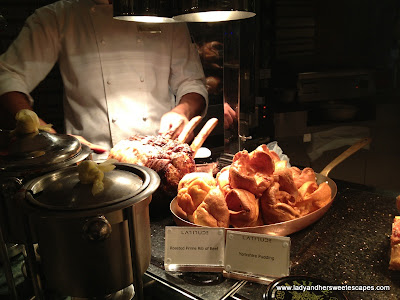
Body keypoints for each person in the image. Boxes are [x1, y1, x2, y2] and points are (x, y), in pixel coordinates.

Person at [0, 0, 208, 157]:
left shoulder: (162, 13)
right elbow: (7, 76)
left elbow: (192, 82)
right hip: (91, 163)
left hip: (161, 155)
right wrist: (51, 139)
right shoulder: (60, 16)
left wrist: (182, 111)